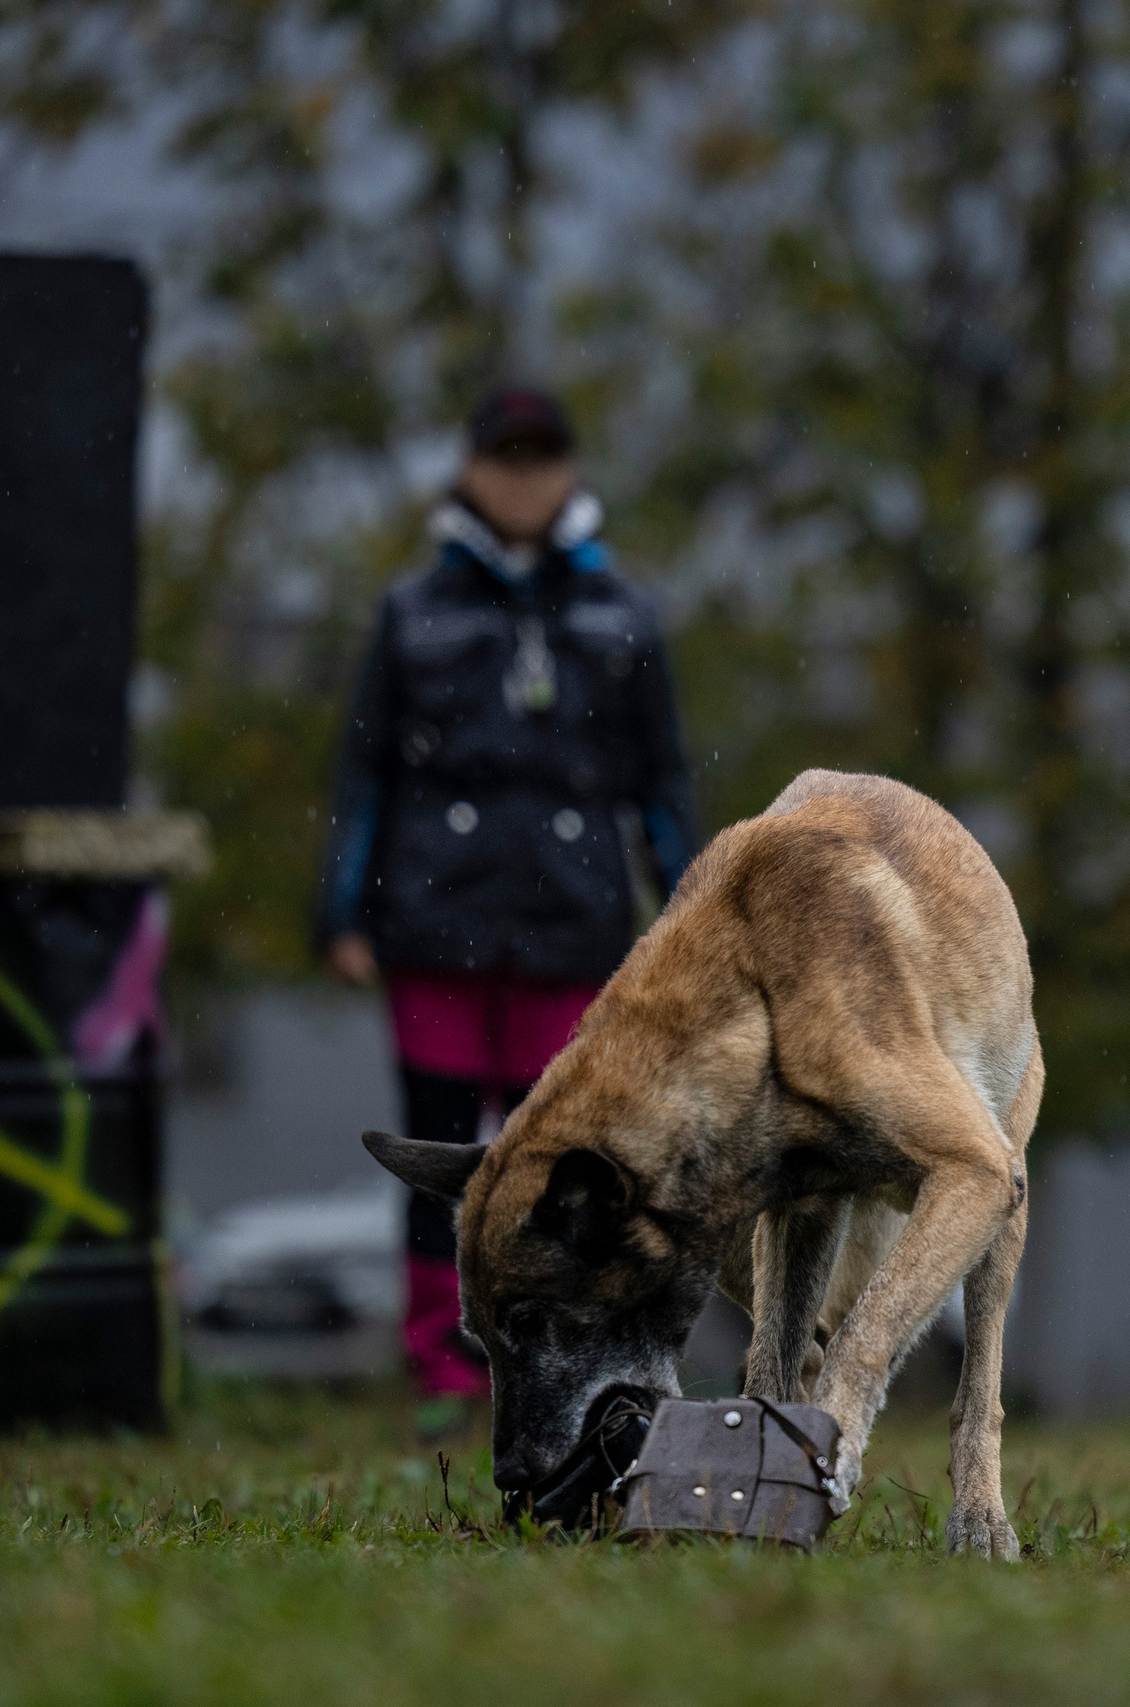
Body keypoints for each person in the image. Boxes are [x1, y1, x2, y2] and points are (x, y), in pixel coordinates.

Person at [317, 385, 700, 1436]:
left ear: (570, 472)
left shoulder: (624, 613)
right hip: (430, 924)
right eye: (506, 458)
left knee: (566, 1160)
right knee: (438, 1149)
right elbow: (363, 774)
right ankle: (440, 1362)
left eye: (543, 459)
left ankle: (562, 1340)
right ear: (471, 470)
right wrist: (340, 914)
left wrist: (696, 920)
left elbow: (660, 784)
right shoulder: (412, 610)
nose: (523, 479)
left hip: (574, 931)